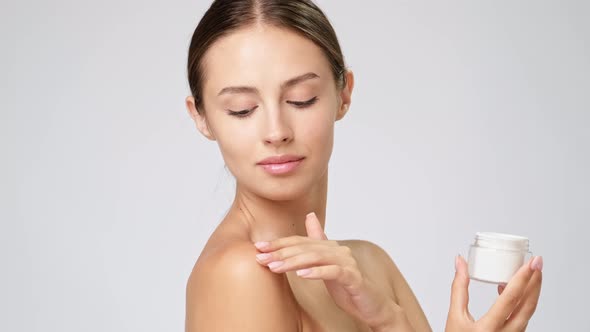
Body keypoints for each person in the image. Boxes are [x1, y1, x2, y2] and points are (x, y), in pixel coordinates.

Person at [183, 1, 543, 331]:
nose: (276, 132)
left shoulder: (370, 267)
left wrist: (388, 318)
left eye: (301, 100)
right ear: (201, 118)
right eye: (242, 109)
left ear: (344, 94)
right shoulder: (240, 273)